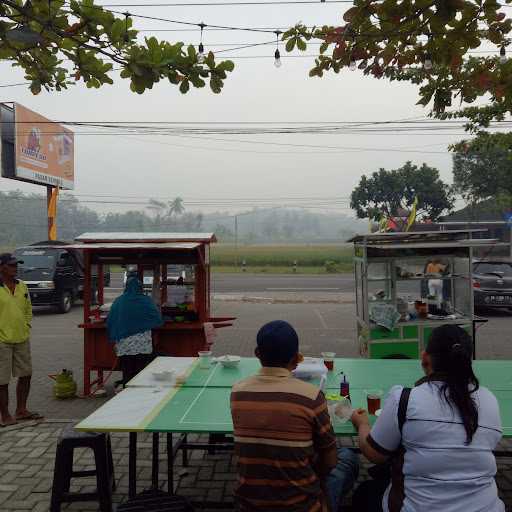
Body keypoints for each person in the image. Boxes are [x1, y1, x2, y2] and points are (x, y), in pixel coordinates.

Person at [351, 324, 504, 512]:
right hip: (488, 508)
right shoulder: (489, 400)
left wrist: (362, 424)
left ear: (425, 358)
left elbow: (374, 454)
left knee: (364, 493)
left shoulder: (405, 399)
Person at [230, 320, 359, 511]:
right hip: (302, 506)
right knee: (347, 456)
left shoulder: (237, 393)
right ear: (297, 358)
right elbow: (330, 462)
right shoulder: (312, 396)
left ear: (257, 353)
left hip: (249, 505)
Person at [0, 253, 42, 427]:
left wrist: (26, 324)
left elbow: (28, 309)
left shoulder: (22, 286)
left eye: (16, 265)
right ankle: (5, 415)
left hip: (22, 338)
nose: (15, 268)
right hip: (2, 341)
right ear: (2, 267)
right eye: (11, 265)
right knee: (2, 380)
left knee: (26, 374)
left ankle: (21, 410)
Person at [107, 276, 163, 386]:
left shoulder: (119, 301)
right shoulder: (146, 300)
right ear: (140, 288)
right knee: (142, 372)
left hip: (124, 346)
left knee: (127, 371)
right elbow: (157, 319)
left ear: (126, 287)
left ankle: (126, 392)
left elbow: (111, 320)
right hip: (143, 346)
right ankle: (139, 393)